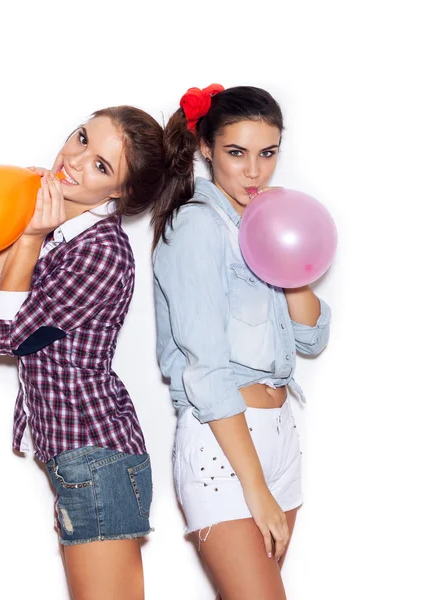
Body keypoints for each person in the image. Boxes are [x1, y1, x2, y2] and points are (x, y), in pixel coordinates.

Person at [0, 106, 165, 600]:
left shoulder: (102, 252)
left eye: (101, 165)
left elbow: (2, 337)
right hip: (76, 455)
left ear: (118, 192)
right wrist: (22, 221)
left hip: (96, 454)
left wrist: (30, 237)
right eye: (81, 139)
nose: (75, 161)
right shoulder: (59, 231)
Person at [152, 85, 331, 599]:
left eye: (267, 153)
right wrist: (255, 488)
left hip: (279, 438)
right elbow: (205, 372)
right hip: (224, 444)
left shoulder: (263, 223)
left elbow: (311, 337)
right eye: (237, 153)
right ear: (206, 148)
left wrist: (288, 251)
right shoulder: (196, 226)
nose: (254, 171)